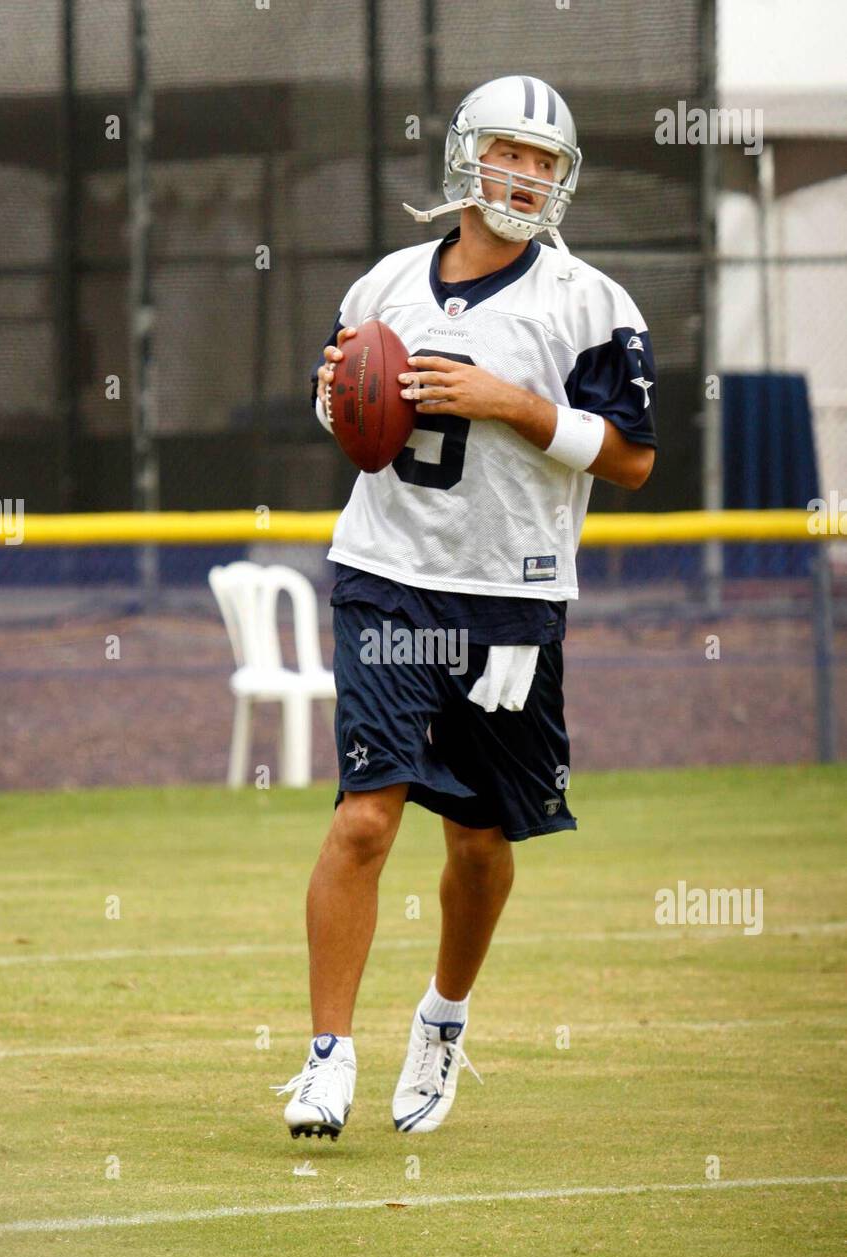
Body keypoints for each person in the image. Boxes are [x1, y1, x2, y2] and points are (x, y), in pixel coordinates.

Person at [272, 74, 656, 1140]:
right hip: (385, 572)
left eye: (545, 162)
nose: (525, 176)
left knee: (483, 841)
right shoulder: (384, 284)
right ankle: (325, 1057)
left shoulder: (589, 303)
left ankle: (441, 1020)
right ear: (463, 156)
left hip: (510, 597)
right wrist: (340, 394)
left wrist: (516, 406)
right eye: (508, 152)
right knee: (364, 816)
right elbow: (339, 402)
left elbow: (629, 460)